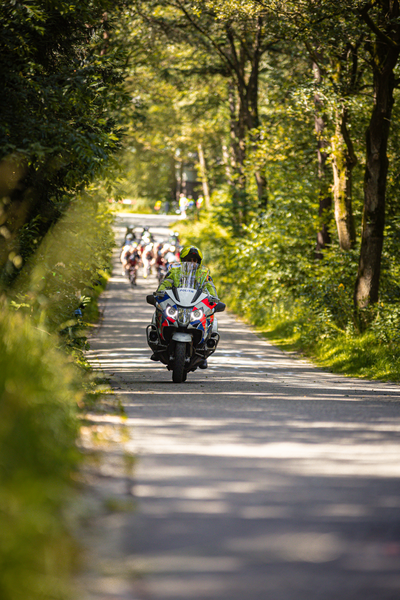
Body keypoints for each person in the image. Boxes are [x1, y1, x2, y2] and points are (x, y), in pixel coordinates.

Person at [150, 246, 218, 368]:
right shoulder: (175, 272)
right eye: (188, 259)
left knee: (211, 315)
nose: (192, 262)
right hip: (177, 303)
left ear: (198, 262)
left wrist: (214, 298)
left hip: (195, 305)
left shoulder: (204, 274)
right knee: (158, 310)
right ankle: (157, 344)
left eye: (194, 260)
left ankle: (203, 351)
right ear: (183, 260)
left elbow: (210, 286)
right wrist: (159, 292)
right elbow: (166, 282)